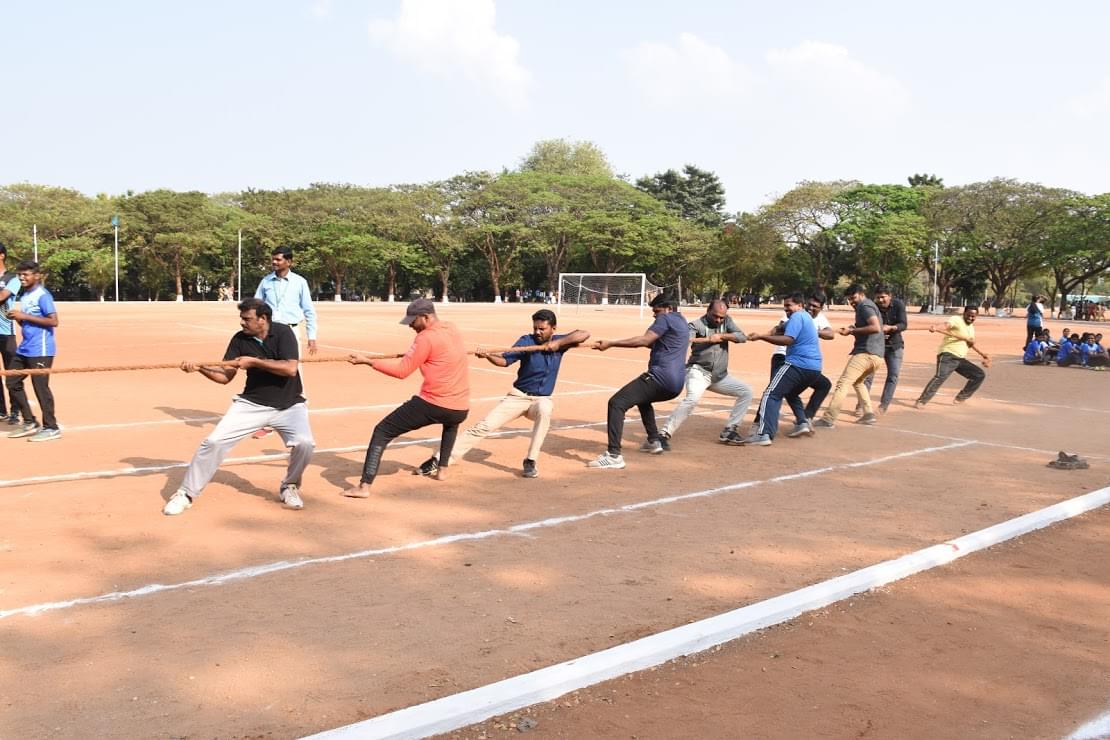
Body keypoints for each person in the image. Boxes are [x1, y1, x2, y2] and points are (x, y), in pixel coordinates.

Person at [162, 298, 315, 515]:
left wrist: (254, 362)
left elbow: (290, 368)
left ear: (263, 319)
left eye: (247, 319)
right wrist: (200, 368)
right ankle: (186, 494)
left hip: (290, 405)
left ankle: (289, 485)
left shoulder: (283, 333)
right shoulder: (239, 339)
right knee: (213, 442)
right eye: (241, 318)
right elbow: (225, 377)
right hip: (252, 404)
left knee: (305, 444)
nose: (242, 323)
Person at [342, 299, 469, 497]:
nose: (410, 325)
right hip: (461, 408)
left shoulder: (424, 338)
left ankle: (364, 486)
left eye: (413, 320)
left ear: (426, 317)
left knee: (382, 431)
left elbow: (402, 371)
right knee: (451, 424)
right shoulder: (451, 328)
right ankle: (442, 470)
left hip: (434, 403)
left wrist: (368, 362)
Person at [447, 310, 589, 478]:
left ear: (553, 329)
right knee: (484, 426)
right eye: (535, 328)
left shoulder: (560, 342)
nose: (537, 332)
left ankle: (530, 460)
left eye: (542, 329)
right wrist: (488, 356)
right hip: (518, 397)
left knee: (545, 409)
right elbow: (504, 361)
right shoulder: (527, 341)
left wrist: (559, 344)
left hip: (540, 400)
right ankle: (443, 459)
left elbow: (584, 334)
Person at [587, 293, 689, 469]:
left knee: (617, 402)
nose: (654, 315)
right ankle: (654, 440)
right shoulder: (682, 322)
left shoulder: (665, 319)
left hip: (661, 378)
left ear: (668, 309)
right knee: (642, 398)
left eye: (657, 311)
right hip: (677, 384)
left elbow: (644, 340)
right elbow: (656, 343)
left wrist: (611, 343)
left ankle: (613, 455)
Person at [660, 299, 753, 446]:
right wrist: (708, 339)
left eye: (721, 317)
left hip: (719, 376)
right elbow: (687, 340)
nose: (718, 320)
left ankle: (729, 431)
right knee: (692, 399)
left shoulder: (726, 321)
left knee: (746, 391)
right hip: (698, 372)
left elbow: (742, 337)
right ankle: (664, 434)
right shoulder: (695, 324)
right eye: (715, 316)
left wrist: (723, 336)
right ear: (708, 311)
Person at [743, 293, 828, 445]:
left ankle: (764, 434)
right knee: (789, 393)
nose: (786, 309)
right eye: (785, 306)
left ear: (800, 305)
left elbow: (788, 340)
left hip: (798, 364)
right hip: (814, 369)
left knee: (771, 394)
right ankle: (802, 422)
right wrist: (759, 334)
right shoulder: (805, 318)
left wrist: (762, 338)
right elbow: (780, 328)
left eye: (789, 306)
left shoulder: (797, 317)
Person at [254, 246, 318, 439]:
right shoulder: (266, 281)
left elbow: (309, 310)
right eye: (273, 260)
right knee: (268, 371)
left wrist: (311, 336)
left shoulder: (299, 282)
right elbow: (256, 306)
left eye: (279, 260)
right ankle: (269, 422)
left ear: (289, 262)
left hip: (290, 331)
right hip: (269, 333)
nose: (274, 263)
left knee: (294, 371)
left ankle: (299, 413)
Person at [814, 284, 884, 428]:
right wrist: (852, 329)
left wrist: (852, 331)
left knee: (843, 383)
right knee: (858, 382)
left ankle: (828, 419)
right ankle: (868, 414)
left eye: (853, 298)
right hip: (877, 356)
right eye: (849, 299)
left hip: (866, 353)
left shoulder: (865, 306)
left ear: (861, 294)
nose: (852, 302)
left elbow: (875, 327)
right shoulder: (867, 306)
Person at [5, 261, 60, 442]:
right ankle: (29, 421)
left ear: (37, 276)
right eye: (20, 274)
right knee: (12, 381)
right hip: (26, 347)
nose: (22, 277)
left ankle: (51, 427)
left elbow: (53, 321)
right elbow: (28, 321)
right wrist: (17, 318)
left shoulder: (43, 295)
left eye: (26, 274)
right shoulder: (26, 294)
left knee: (41, 388)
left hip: (41, 349)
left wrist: (24, 316)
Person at [915, 306, 988, 408]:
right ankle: (921, 401)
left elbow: (969, 344)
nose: (970, 318)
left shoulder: (971, 328)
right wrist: (936, 327)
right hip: (948, 355)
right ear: (964, 313)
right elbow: (946, 325)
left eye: (973, 316)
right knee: (940, 377)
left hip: (960, 359)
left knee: (979, 375)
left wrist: (979, 351)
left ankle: (961, 398)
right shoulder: (956, 320)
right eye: (969, 315)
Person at [861, 286, 908, 414]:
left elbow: (904, 324)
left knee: (893, 375)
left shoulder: (898, 305)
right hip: (876, 345)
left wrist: (892, 327)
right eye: (878, 297)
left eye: (883, 297)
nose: (881, 300)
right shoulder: (872, 307)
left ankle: (883, 406)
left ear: (890, 296)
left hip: (895, 346)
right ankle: (861, 405)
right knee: (868, 376)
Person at [0, 244, 23, 425]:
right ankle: (1, 410)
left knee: (12, 373)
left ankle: (15, 411)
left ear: (2, 256)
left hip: (6, 332)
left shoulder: (12, 279)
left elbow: (3, 297)